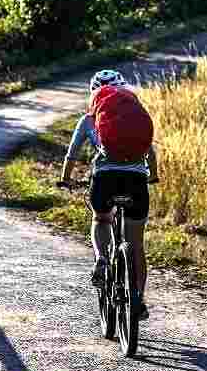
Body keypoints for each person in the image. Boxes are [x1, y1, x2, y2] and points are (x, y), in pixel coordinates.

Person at [58, 70, 159, 320]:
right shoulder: (133, 116)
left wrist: (65, 179)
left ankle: (102, 259)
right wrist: (153, 176)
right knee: (136, 244)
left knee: (101, 219)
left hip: (104, 180)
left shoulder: (88, 120)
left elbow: (71, 154)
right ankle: (138, 299)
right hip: (136, 181)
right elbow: (151, 153)